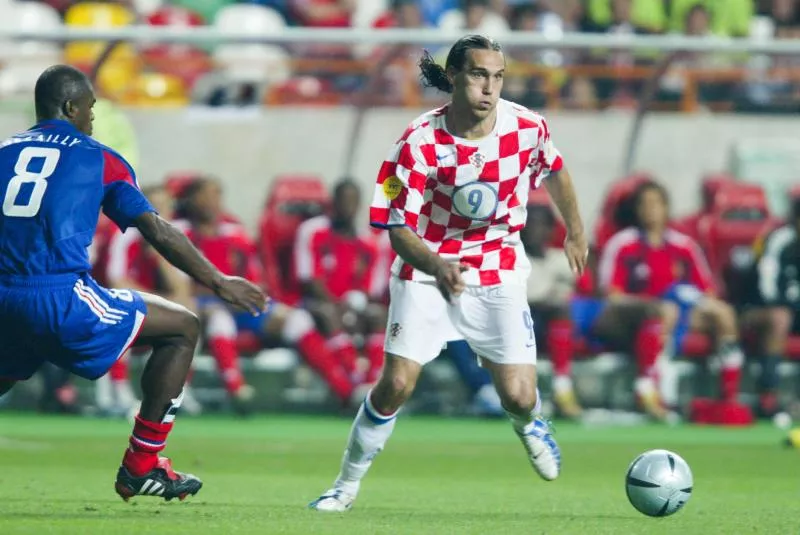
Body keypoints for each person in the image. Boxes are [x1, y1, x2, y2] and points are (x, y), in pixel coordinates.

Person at [309, 35, 589, 512]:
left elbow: (556, 171)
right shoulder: (418, 141)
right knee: (396, 384)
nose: (490, 87)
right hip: (426, 270)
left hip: (498, 267)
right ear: (455, 75)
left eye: (498, 76)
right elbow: (397, 229)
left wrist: (575, 233)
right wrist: (437, 265)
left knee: (520, 396)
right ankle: (345, 486)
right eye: (479, 74)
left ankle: (531, 424)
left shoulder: (527, 127)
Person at [0, 65, 267, 501]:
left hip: (2, 295)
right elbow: (157, 231)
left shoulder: (4, 150)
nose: (92, 117)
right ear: (71, 107)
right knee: (182, 327)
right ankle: (142, 465)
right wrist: (218, 281)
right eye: (89, 108)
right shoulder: (98, 156)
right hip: (58, 295)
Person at [177, 177, 361, 406]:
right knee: (219, 320)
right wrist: (222, 293)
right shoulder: (179, 233)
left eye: (216, 195)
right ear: (190, 201)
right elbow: (181, 286)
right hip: (208, 304)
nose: (212, 202)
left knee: (297, 320)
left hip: (240, 303)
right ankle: (236, 391)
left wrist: (249, 295)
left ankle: (346, 391)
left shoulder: (235, 233)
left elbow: (255, 278)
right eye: (205, 196)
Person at [599, 180, 746, 416]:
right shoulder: (623, 244)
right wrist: (653, 305)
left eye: (656, 204)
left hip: (681, 314)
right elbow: (612, 295)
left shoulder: (684, 246)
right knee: (665, 311)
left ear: (666, 208)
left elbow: (707, 291)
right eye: (644, 204)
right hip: (636, 318)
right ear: (636, 209)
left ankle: (729, 397)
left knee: (723, 314)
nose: (650, 210)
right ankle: (648, 388)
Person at [294, 179, 385, 384]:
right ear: (333, 203)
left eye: (353, 202)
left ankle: (374, 381)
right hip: (316, 303)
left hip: (352, 305)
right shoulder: (312, 231)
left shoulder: (368, 241)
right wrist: (338, 306)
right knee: (328, 314)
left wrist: (354, 304)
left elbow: (370, 288)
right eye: (343, 201)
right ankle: (354, 377)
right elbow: (309, 280)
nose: (347, 207)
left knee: (379, 315)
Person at [520, 203, 582, 418]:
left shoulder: (561, 259)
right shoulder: (515, 260)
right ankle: (562, 388)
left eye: (540, 225)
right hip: (525, 326)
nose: (534, 230)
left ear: (551, 230)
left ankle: (562, 387)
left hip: (560, 324)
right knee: (558, 311)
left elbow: (583, 291)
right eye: (530, 224)